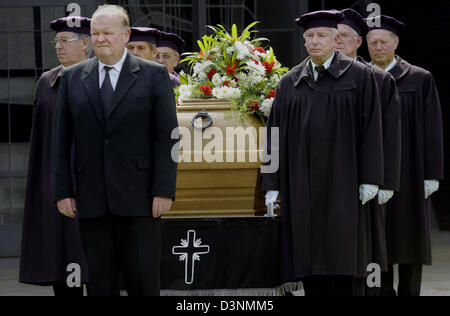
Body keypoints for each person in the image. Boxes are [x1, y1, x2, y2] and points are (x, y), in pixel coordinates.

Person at [52, 5, 179, 296]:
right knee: (100, 284)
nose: (101, 39)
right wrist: (63, 191)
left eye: (107, 33)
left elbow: (168, 138)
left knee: (143, 282)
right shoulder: (72, 78)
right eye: (95, 33)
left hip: (141, 199)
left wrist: (164, 189)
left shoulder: (153, 75)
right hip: (92, 199)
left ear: (126, 35)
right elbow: (61, 141)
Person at [262, 10, 384, 296]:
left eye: (321, 36)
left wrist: (371, 177)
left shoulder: (359, 77)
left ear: (336, 39)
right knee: (309, 264)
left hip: (346, 185)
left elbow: (372, 130)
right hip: (301, 189)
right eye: (309, 37)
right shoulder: (290, 82)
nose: (314, 42)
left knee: (345, 262)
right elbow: (273, 137)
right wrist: (272, 183)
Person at [366, 15, 444, 296]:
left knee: (410, 243)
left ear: (395, 43)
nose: (377, 47)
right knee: (380, 243)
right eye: (372, 42)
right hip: (377, 174)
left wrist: (432, 174)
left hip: (411, 174)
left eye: (383, 42)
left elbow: (432, 128)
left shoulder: (419, 78)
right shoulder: (362, 78)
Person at [19, 16, 91, 296]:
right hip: (57, 182)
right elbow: (40, 142)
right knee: (61, 252)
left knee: (95, 256)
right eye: (56, 42)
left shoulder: (99, 79)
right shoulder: (46, 82)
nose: (58, 47)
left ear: (85, 43)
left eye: (65, 41)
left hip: (91, 180)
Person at [335, 8, 402, 296]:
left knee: (370, 249)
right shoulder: (314, 79)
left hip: (367, 180)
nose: (337, 43)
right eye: (332, 37)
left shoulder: (378, 78)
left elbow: (388, 135)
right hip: (334, 180)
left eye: (343, 37)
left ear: (358, 42)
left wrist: (384, 180)